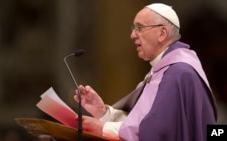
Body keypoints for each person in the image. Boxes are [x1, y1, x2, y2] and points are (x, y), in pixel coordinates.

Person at [74, 3, 217, 141]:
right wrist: (103, 113)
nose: (132, 35)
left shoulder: (178, 74)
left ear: (162, 33)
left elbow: (158, 132)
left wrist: (104, 128)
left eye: (139, 28)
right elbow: (140, 122)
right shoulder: (160, 71)